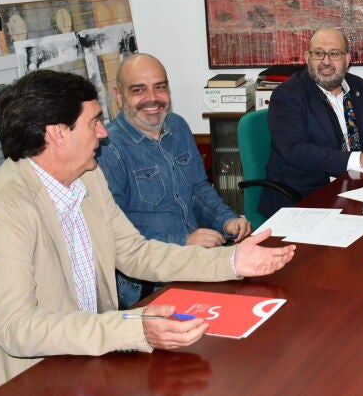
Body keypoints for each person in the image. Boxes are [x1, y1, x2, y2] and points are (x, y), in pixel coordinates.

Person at [0, 70, 296, 391]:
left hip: (82, 358)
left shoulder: (87, 177)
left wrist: (231, 261)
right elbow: (18, 329)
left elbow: (134, 252)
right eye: (94, 122)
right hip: (21, 379)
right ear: (57, 133)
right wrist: (133, 328)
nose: (103, 133)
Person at [97, 53, 252, 308]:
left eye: (160, 87)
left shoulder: (177, 126)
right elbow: (113, 230)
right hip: (147, 283)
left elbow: (198, 189)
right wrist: (182, 240)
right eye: (139, 89)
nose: (153, 98)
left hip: (195, 260)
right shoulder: (107, 148)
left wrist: (226, 220)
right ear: (119, 96)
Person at [259, 27, 363, 218]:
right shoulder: (288, 95)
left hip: (360, 186)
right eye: (318, 53)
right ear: (307, 57)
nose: (326, 61)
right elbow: (295, 150)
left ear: (347, 59)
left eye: (334, 54)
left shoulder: (360, 87)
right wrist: (359, 159)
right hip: (307, 197)